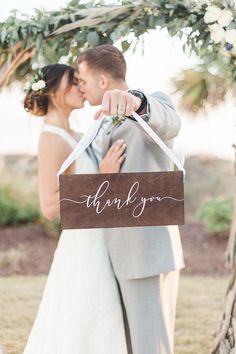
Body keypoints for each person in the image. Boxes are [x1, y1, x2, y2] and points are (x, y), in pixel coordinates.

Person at [77, 44, 185, 354]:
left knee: (151, 347)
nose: (80, 89)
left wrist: (136, 103)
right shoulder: (97, 123)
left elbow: (170, 121)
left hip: (145, 254)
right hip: (111, 256)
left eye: (83, 81)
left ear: (101, 81)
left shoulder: (152, 105)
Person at [22, 64, 128, 354]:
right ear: (53, 93)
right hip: (83, 247)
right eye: (73, 84)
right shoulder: (51, 138)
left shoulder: (77, 133)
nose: (82, 88)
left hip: (101, 240)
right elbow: (48, 206)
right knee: (83, 321)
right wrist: (102, 179)